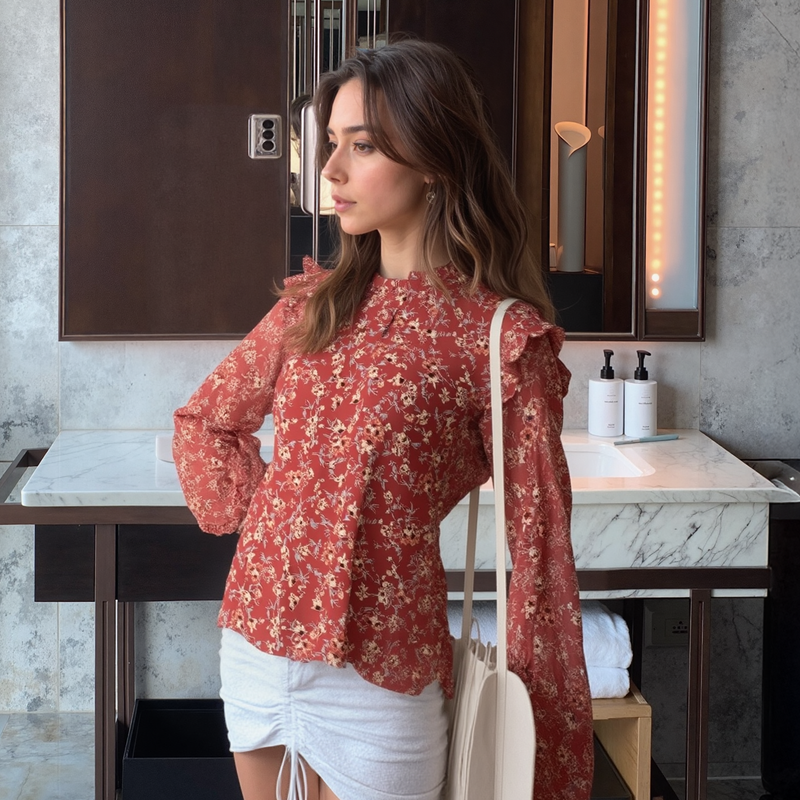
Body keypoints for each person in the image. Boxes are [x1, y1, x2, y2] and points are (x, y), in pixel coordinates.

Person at [173, 39, 593, 800]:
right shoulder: (312, 305)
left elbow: (538, 560)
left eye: (361, 146)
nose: (331, 170)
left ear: (434, 159)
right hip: (258, 646)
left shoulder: (499, 338)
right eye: (331, 143)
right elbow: (205, 421)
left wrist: (552, 759)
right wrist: (265, 516)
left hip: (382, 673)